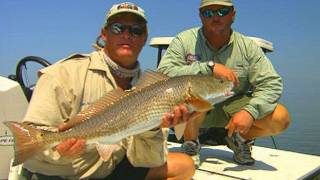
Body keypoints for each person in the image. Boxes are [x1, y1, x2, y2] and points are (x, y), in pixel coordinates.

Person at [18, 2, 195, 180]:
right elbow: (30, 137)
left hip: (108, 169)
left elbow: (144, 160)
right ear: (104, 34)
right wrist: (59, 149)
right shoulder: (63, 73)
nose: (127, 35)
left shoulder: (151, 88)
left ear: (145, 38)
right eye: (118, 28)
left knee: (185, 166)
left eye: (136, 30)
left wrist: (152, 128)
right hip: (62, 174)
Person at [158, 0, 291, 167]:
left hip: (232, 105)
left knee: (281, 118)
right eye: (208, 13)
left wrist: (250, 112)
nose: (215, 17)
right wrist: (208, 67)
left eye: (222, 11)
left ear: (233, 14)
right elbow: (164, 72)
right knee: (192, 98)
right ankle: (191, 144)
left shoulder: (247, 47)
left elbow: (271, 83)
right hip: (197, 109)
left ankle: (239, 139)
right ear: (200, 16)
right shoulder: (184, 40)